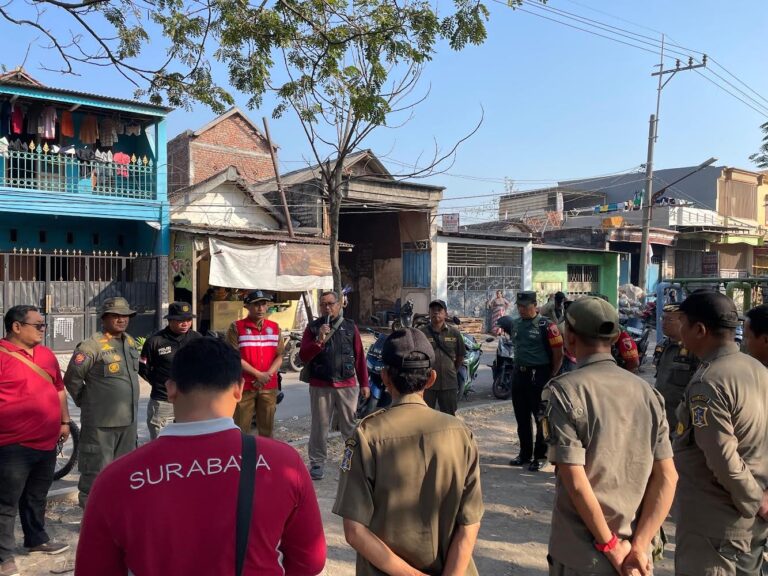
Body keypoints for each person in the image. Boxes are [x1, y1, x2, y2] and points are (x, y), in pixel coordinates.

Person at [74, 337, 326, 576]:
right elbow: (310, 560)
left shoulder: (116, 479)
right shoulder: (283, 462)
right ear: (239, 389)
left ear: (170, 390)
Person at [543, 296, 678, 576]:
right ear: (616, 337)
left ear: (569, 337)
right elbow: (668, 477)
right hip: (637, 555)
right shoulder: (648, 394)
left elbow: (576, 481)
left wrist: (611, 545)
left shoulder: (564, 392)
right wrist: (639, 546)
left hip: (585, 554)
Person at [334, 328, 483, 575]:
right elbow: (470, 522)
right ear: (432, 378)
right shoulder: (461, 433)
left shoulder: (367, 435)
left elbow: (355, 531)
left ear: (384, 377)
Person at [674, 290, 768, 576]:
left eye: (682, 323)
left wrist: (756, 502)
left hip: (717, 528)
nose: (679, 331)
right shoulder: (757, 369)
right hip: (748, 522)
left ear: (699, 329)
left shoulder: (710, 382)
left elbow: (723, 459)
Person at [0, 306, 70, 576]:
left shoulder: (46, 354)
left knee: (36, 496)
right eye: (38, 325)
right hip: (11, 445)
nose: (43, 329)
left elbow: (58, 388)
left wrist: (64, 420)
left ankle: (36, 539)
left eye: (44, 324)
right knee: (5, 503)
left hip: (46, 441)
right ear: (17, 327)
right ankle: (4, 555)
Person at [64, 297, 141, 508]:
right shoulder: (91, 346)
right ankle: (91, 521)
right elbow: (72, 378)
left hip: (129, 422)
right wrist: (86, 402)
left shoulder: (130, 342)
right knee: (96, 473)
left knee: (124, 472)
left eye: (125, 315)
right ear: (104, 318)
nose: (121, 319)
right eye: (116, 315)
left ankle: (118, 515)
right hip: (101, 424)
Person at [299, 291, 370, 481]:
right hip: (320, 385)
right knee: (320, 426)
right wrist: (318, 340)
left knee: (349, 426)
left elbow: (359, 356)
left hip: (347, 384)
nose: (327, 307)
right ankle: (317, 463)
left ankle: (352, 461)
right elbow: (303, 356)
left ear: (339, 305)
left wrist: (364, 382)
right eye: (323, 304)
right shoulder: (313, 328)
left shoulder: (349, 326)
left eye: (331, 303)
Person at [508, 291, 563, 472]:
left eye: (525, 306)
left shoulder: (547, 326)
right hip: (519, 375)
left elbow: (558, 353)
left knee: (541, 418)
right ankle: (524, 454)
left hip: (539, 376)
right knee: (521, 418)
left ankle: (540, 456)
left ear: (535, 305)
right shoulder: (516, 324)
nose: (521, 309)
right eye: (519, 306)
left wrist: (551, 375)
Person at [139, 301, 202, 439]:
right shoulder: (155, 341)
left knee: (190, 443)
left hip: (190, 401)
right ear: (170, 320)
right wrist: (160, 384)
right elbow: (143, 368)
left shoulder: (197, 339)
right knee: (161, 445)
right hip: (163, 402)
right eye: (180, 320)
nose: (185, 323)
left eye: (188, 320)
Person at [226, 290, 283, 437]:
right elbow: (233, 357)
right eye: (256, 305)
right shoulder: (236, 327)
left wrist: (267, 375)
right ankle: (241, 458)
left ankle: (265, 457)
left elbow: (280, 356)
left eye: (263, 304)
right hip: (245, 386)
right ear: (247, 306)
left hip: (268, 386)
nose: (260, 308)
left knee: (267, 430)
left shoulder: (275, 328)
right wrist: (258, 375)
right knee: (241, 429)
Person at [653, 303, 698, 435]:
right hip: (663, 411)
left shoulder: (693, 349)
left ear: (683, 322)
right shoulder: (662, 345)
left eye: (670, 320)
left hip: (682, 415)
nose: (664, 323)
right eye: (663, 319)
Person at [420, 299, 466, 416]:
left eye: (439, 310)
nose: (436, 313)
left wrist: (453, 370)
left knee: (449, 416)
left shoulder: (454, 333)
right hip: (427, 383)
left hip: (449, 383)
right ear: (429, 313)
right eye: (433, 310)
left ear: (445, 313)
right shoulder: (422, 333)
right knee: (425, 416)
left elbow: (460, 355)